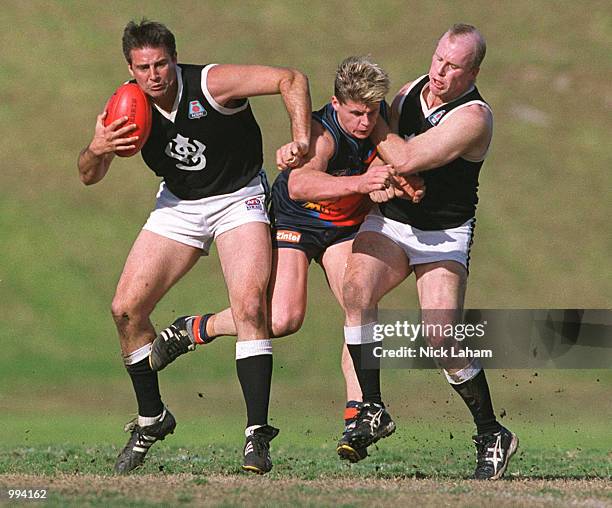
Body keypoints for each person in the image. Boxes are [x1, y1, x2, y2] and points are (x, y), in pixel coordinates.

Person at [147, 56, 424, 463]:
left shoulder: (377, 116)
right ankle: (195, 328)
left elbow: (391, 157)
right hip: (298, 221)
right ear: (336, 103)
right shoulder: (322, 133)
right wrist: (363, 183)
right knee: (281, 320)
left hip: (344, 227)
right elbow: (298, 183)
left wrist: (403, 183)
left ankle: (359, 413)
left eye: (370, 113)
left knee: (358, 302)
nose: (365, 123)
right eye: (355, 114)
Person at [77, 19, 311, 475]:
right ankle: (151, 418)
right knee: (126, 309)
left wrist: (300, 138)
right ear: (130, 67)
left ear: (174, 59)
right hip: (179, 204)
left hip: (237, 198)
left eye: (161, 63)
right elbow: (88, 174)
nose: (153, 75)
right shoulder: (126, 105)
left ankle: (256, 436)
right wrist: (97, 146)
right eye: (143, 67)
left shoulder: (211, 83)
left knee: (250, 305)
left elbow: (291, 78)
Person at [339, 24, 519, 479]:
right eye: (438, 58)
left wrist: (393, 155)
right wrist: (398, 178)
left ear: (473, 71)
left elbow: (406, 156)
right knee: (357, 289)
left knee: (441, 337)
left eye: (453, 66)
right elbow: (387, 160)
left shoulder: (474, 118)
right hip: (394, 223)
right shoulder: (407, 94)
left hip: (444, 234)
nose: (439, 71)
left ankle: (491, 432)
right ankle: (372, 407)